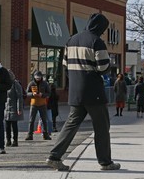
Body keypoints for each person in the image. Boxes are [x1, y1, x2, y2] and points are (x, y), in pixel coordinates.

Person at [46, 13, 120, 171]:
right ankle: (105, 162)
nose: (103, 32)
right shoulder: (96, 41)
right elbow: (103, 67)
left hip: (75, 90)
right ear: (100, 27)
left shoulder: (71, 40)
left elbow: (65, 64)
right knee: (101, 127)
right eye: (104, 29)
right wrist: (107, 67)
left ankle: (54, 156)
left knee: (71, 124)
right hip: (94, 91)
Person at [25, 70, 51, 140]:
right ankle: (30, 134)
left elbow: (49, 93)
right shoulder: (31, 84)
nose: (38, 80)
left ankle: (45, 134)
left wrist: (42, 95)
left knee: (44, 120)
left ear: (41, 77)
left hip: (42, 104)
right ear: (34, 77)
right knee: (31, 120)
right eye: (37, 78)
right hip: (33, 104)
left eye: (39, 78)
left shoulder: (45, 84)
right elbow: (26, 93)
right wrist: (32, 94)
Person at [4, 70, 24, 147]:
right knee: (7, 125)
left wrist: (19, 109)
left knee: (14, 125)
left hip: (14, 107)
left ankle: (15, 141)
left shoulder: (16, 84)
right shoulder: (5, 84)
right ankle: (8, 140)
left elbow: (19, 97)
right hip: (6, 107)